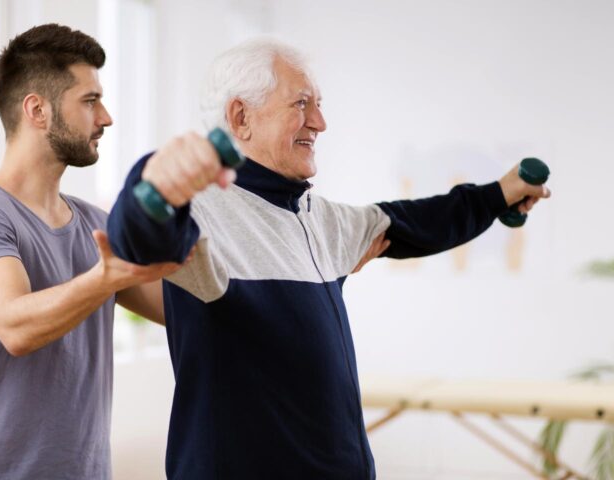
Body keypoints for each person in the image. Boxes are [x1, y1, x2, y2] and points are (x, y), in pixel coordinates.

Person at [106, 39, 550, 479]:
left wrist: (498, 196)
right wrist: (155, 182)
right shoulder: (202, 214)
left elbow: (412, 222)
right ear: (241, 117)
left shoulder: (316, 218)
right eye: (301, 104)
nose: (319, 122)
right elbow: (137, 237)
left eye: (318, 104)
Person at [0, 24, 182, 479]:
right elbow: (16, 325)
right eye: (90, 101)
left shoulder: (95, 224)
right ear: (38, 110)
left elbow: (179, 308)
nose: (105, 117)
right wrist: (106, 278)